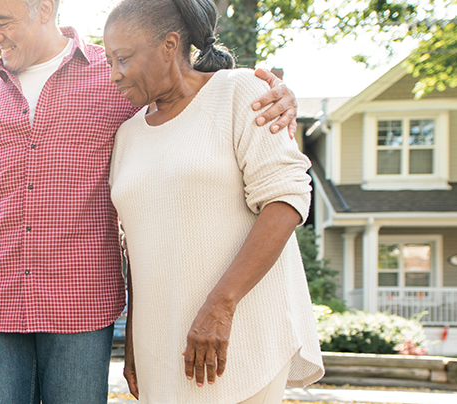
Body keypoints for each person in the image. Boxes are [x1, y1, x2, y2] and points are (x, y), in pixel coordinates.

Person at [0, 0, 301, 401]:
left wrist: (276, 97)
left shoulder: (118, 75)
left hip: (81, 302)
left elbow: (190, 101)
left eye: (2, 21)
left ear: (44, 9)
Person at [103, 0, 326, 402]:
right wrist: (134, 343)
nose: (114, 74)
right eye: (109, 61)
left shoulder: (241, 92)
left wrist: (220, 306)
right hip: (163, 346)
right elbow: (134, 249)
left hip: (239, 331)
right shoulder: (128, 136)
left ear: (170, 46)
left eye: (123, 59)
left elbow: (286, 200)